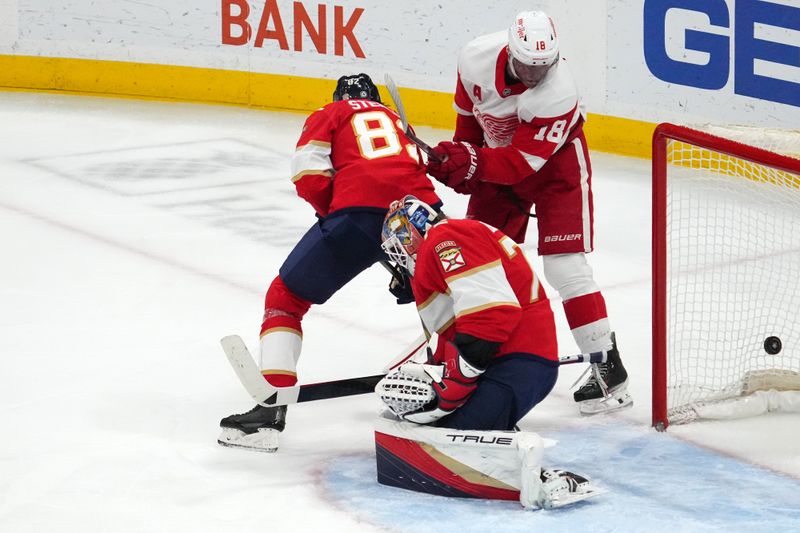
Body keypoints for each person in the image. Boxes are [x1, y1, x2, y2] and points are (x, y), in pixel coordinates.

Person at [217, 74, 441, 452]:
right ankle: (458, 382)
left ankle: (270, 411)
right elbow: (415, 166)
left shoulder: (330, 113)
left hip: (356, 214)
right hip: (422, 213)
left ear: (338, 97)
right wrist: (400, 262)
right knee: (439, 295)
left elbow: (308, 173)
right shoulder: (395, 119)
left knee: (285, 298)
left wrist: (336, 216)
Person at [424, 11, 631, 415]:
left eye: (544, 66)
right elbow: (468, 124)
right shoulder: (475, 57)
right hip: (500, 161)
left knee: (564, 266)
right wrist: (462, 162)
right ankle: (459, 356)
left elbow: (520, 164)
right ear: (509, 53)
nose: (536, 75)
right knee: (474, 259)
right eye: (527, 67)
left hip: (556, 168)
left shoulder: (558, 93)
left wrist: (472, 164)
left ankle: (608, 365)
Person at [374, 195, 602, 509]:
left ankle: (544, 481)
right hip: (508, 364)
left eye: (398, 245)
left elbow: (492, 315)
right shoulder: (446, 243)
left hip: (515, 365)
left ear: (411, 233)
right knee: (422, 429)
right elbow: (462, 330)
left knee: (443, 444)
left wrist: (456, 380)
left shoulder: (447, 237)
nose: (400, 258)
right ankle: (502, 439)